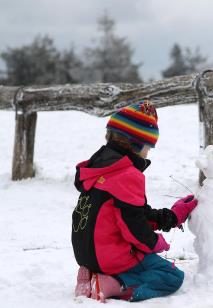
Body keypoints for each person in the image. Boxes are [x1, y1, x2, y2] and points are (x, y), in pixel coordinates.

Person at [71, 100, 198, 302]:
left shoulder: (99, 168)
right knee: (171, 277)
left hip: (87, 256)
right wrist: (155, 243)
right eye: (148, 146)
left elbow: (134, 212)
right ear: (136, 143)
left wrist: (172, 217)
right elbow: (134, 227)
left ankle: (92, 275)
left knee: (145, 263)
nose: (148, 152)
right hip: (109, 255)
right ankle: (110, 285)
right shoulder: (127, 175)